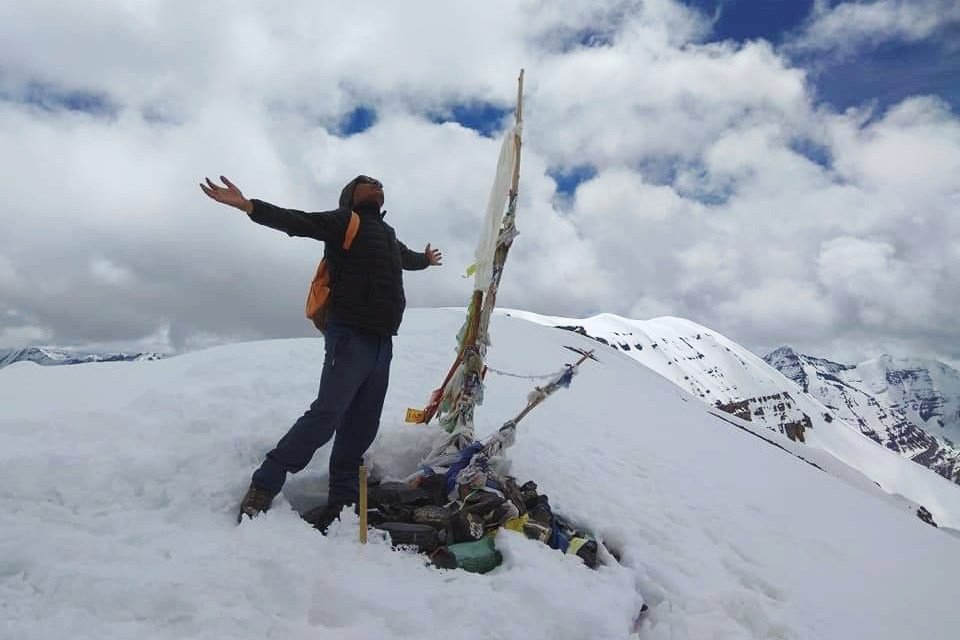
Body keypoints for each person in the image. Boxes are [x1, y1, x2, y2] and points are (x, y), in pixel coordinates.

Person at [200, 174, 442, 526]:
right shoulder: (345, 220)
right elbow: (298, 222)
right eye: (366, 182)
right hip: (349, 336)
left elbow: (405, 258)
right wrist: (249, 206)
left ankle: (343, 501)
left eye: (378, 182)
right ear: (351, 196)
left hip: (381, 342)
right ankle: (265, 483)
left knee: (363, 423)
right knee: (326, 415)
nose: (376, 184)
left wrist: (425, 259)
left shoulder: (387, 235)